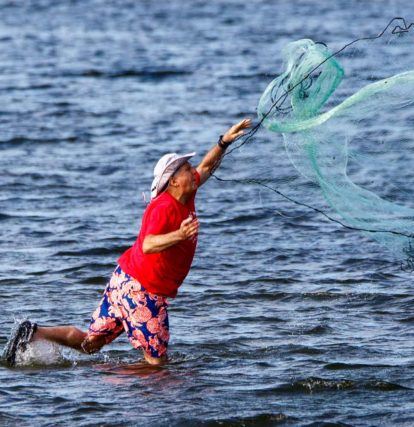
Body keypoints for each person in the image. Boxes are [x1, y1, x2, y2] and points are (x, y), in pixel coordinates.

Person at [4, 118, 252, 367]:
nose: (193, 171)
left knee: (90, 344)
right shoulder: (164, 207)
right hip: (142, 291)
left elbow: (207, 166)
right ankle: (125, 387)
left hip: (124, 280)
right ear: (173, 181)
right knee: (157, 364)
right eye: (187, 169)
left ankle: (34, 332)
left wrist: (224, 142)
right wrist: (180, 235)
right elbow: (148, 244)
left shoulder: (186, 193)